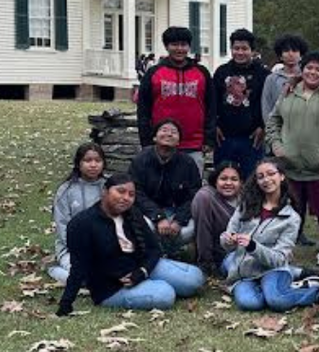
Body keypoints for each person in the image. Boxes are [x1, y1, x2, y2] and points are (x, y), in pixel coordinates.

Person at [56, 173, 206, 315]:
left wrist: (143, 272)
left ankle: (153, 283)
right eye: (120, 192)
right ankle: (154, 287)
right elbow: (79, 267)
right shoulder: (82, 224)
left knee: (195, 279)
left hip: (141, 267)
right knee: (165, 294)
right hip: (113, 286)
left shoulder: (132, 214)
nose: (126, 198)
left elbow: (154, 249)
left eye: (131, 194)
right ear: (105, 191)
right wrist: (65, 304)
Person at [264, 51, 319, 266]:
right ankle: (285, 249)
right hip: (290, 166)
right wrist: (276, 145)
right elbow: (273, 121)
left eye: (318, 69)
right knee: (290, 208)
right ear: (302, 69)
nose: (313, 72)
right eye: (309, 68)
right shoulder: (289, 91)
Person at [221, 159, 319, 311]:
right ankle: (292, 284)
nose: (266, 180)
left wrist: (253, 246)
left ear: (282, 176)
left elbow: (279, 259)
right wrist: (228, 240)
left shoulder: (291, 218)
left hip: (272, 268)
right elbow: (225, 240)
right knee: (249, 303)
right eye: (261, 176)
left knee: (277, 301)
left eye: (271, 174)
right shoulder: (245, 205)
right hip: (244, 270)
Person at [137, 26, 215, 170]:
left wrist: (209, 138)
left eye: (183, 45)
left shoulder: (202, 73)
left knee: (192, 188)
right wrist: (146, 141)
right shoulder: (154, 73)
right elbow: (143, 110)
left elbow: (211, 107)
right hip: (161, 143)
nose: (179, 49)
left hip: (194, 144)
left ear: (189, 46)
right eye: (174, 44)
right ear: (167, 46)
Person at [128, 118, 202, 253]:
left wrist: (179, 220)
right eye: (164, 130)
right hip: (149, 213)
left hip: (176, 212)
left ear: (179, 141)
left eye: (173, 132)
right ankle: (157, 253)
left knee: (189, 230)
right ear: (155, 137)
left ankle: (168, 253)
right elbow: (136, 192)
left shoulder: (188, 163)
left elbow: (194, 195)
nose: (168, 134)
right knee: (146, 228)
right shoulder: (140, 160)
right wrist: (158, 217)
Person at [212, 28, 269, 179]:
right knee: (224, 180)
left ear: (252, 50)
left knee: (251, 181)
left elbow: (268, 103)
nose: (240, 52)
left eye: (245, 49)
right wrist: (214, 125)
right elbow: (212, 101)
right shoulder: (221, 72)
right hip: (224, 137)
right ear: (231, 49)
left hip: (252, 138)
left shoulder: (263, 74)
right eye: (236, 48)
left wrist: (263, 126)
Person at [49, 143, 107, 283]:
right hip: (72, 250)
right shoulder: (66, 190)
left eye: (97, 161)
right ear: (78, 163)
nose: (93, 165)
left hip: (105, 248)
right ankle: (54, 270)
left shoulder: (109, 187)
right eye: (88, 161)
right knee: (86, 278)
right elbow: (62, 225)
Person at [191, 162, 243, 272]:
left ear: (241, 182)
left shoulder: (246, 198)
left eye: (234, 179)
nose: (228, 183)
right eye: (223, 179)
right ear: (215, 181)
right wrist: (207, 262)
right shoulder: (206, 197)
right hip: (223, 255)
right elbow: (203, 231)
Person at [261, 33, 308, 125]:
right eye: (286, 51)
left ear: (301, 54)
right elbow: (266, 107)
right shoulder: (271, 79)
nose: (290, 54)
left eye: (294, 50)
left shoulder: (308, 77)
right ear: (280, 55)